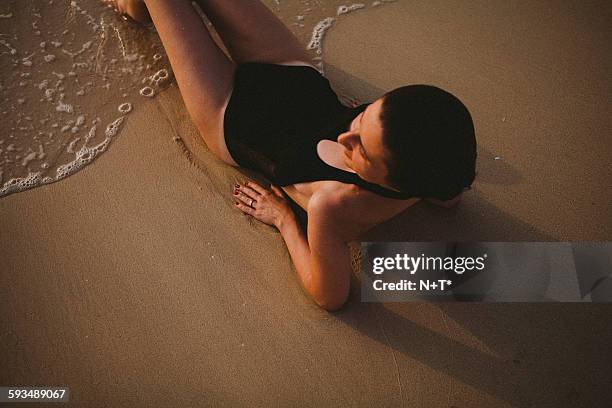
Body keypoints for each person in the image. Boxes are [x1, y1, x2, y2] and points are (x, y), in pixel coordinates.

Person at [104, 0, 477, 311]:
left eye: (362, 149)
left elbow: (330, 296)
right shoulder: (438, 170)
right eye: (363, 117)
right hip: (292, 73)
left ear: (394, 180)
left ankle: (131, 6)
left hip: (231, 115)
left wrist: (284, 219)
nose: (346, 136)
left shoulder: (333, 206)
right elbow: (450, 194)